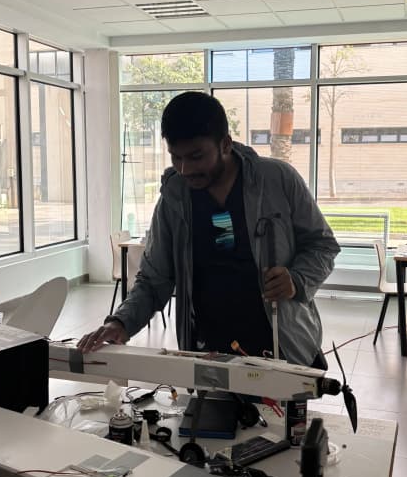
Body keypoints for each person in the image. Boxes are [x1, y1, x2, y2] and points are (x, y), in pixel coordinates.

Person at [79, 91, 340, 366]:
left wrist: (297, 280)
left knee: (281, 411)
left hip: (280, 343)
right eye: (175, 157)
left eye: (196, 156)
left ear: (225, 144)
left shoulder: (277, 180)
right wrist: (121, 321)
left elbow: (323, 245)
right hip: (207, 351)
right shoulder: (175, 199)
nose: (184, 169)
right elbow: (154, 278)